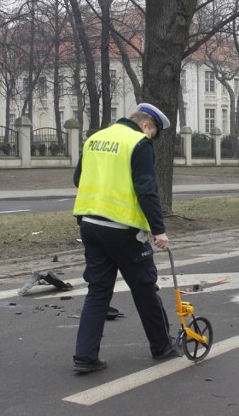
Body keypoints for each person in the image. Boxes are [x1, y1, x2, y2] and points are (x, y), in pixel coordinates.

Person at [71, 103, 179, 373]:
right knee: (144, 288)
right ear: (146, 125)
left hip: (89, 224)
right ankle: (162, 346)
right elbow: (146, 189)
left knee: (97, 291)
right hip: (122, 230)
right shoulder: (139, 143)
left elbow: (78, 179)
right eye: (153, 132)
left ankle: (85, 357)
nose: (151, 137)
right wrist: (158, 230)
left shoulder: (95, 138)